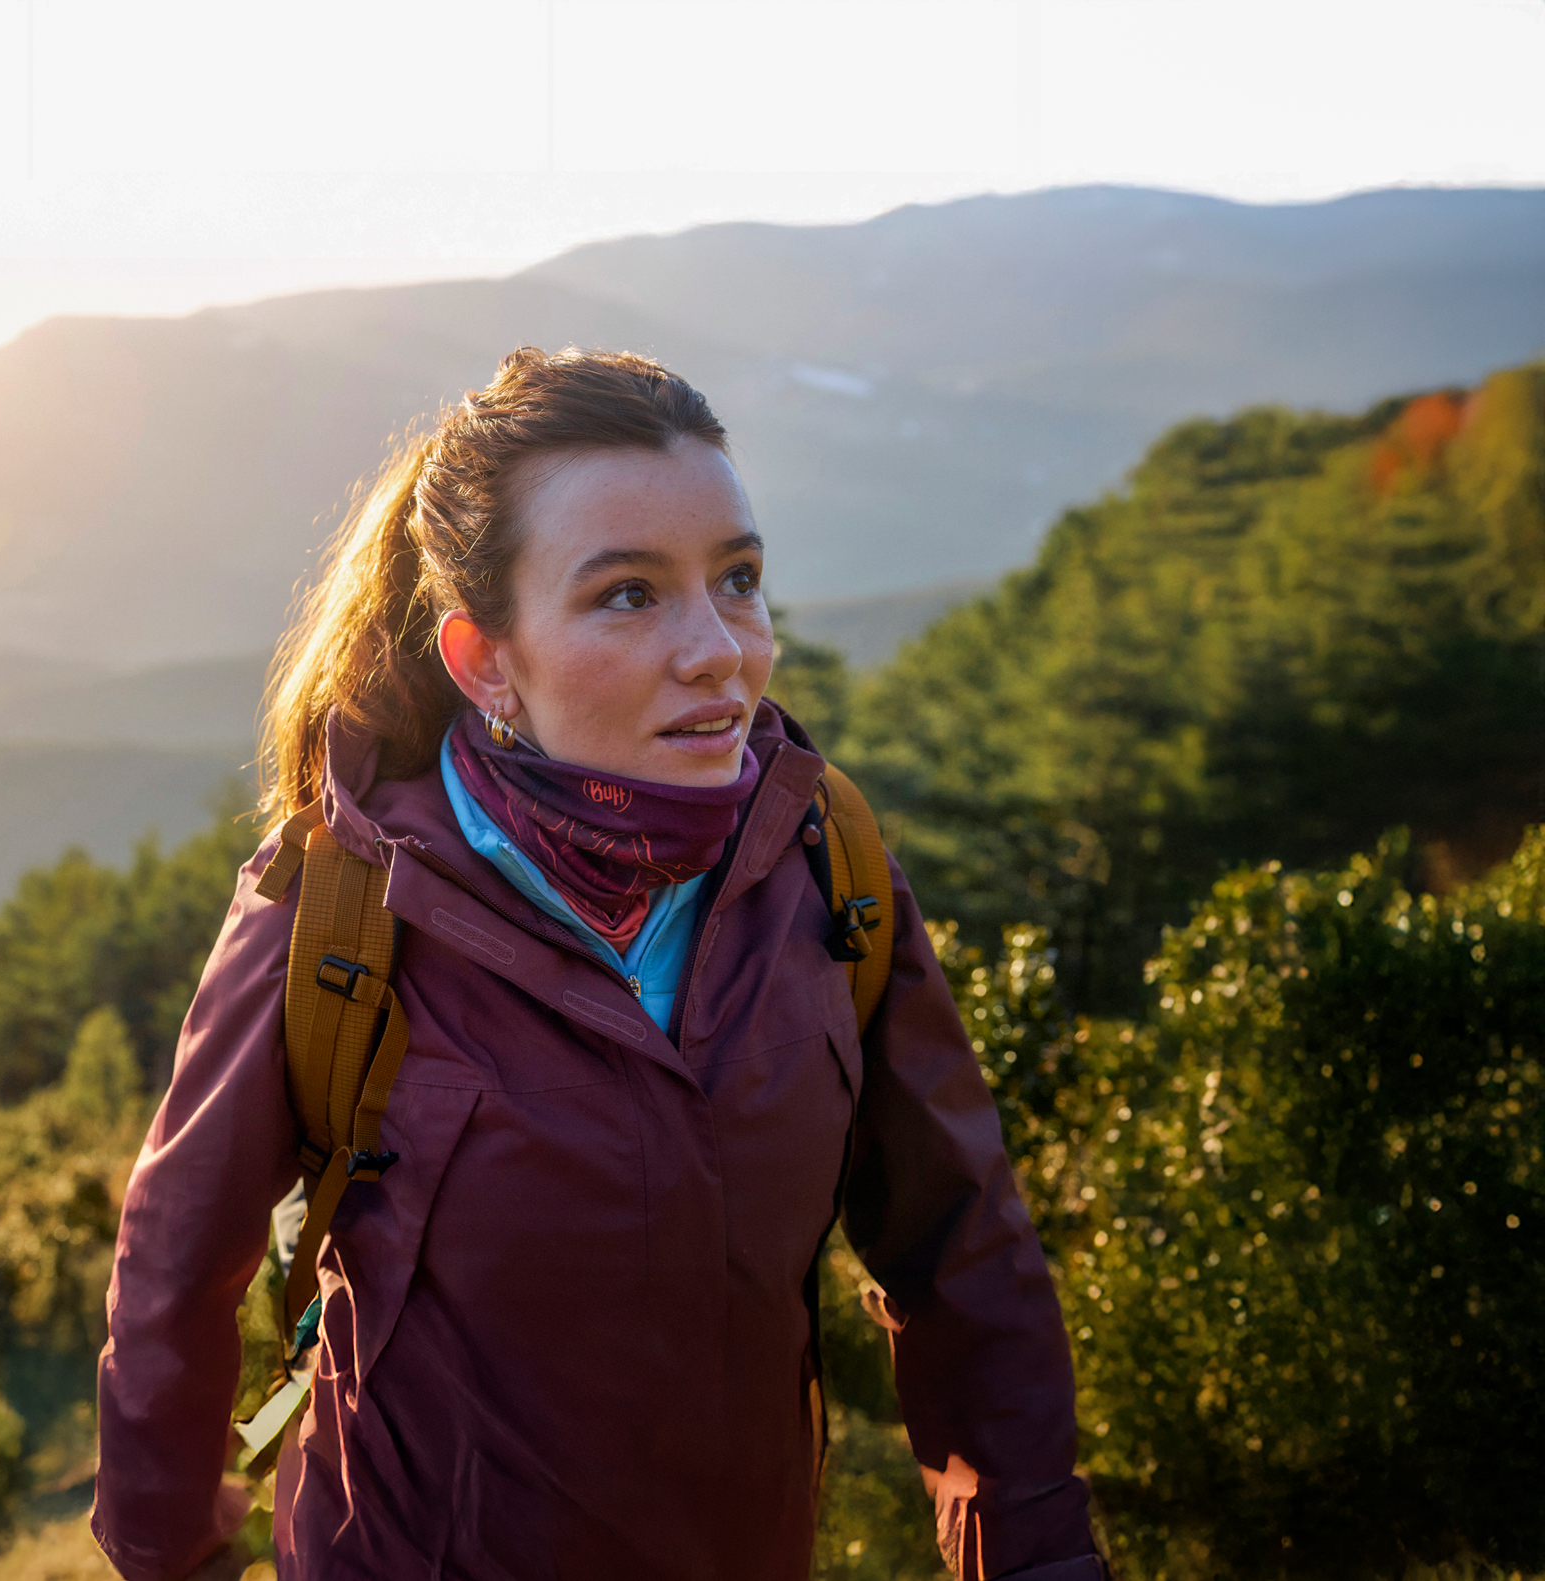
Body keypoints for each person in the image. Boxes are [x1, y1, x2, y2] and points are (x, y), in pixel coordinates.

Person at [92, 348, 1102, 1581]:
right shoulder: (342, 904)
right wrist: (168, 1554)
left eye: (737, 580)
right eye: (628, 595)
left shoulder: (821, 864)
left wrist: (1033, 1552)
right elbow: (175, 1268)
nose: (718, 650)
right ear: (485, 660)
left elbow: (960, 1246)